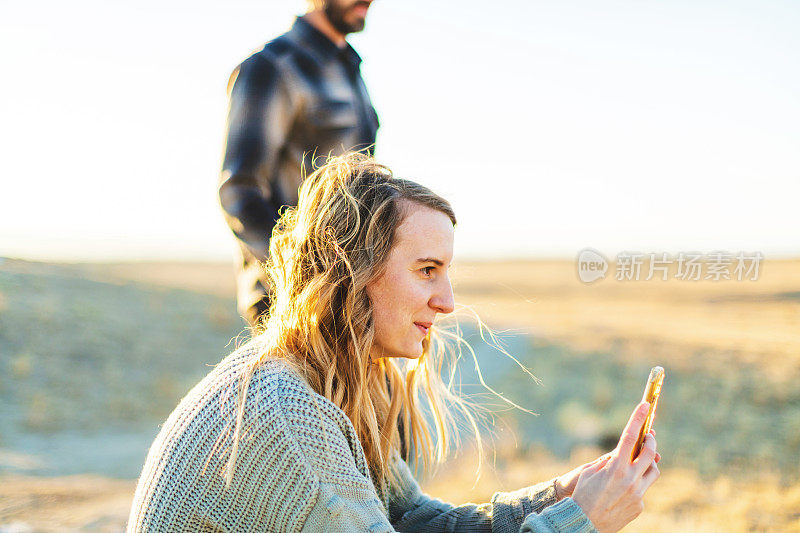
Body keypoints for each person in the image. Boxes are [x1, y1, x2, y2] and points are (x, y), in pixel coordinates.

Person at [129, 153, 661, 532]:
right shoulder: (287, 416)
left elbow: (417, 521)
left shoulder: (334, 380)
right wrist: (582, 522)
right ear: (352, 270)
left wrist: (566, 493)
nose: (448, 301)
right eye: (427, 270)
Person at [220, 0, 380, 326]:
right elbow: (240, 192)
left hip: (351, 300)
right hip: (291, 307)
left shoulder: (350, 69)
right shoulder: (271, 67)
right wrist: (304, 277)